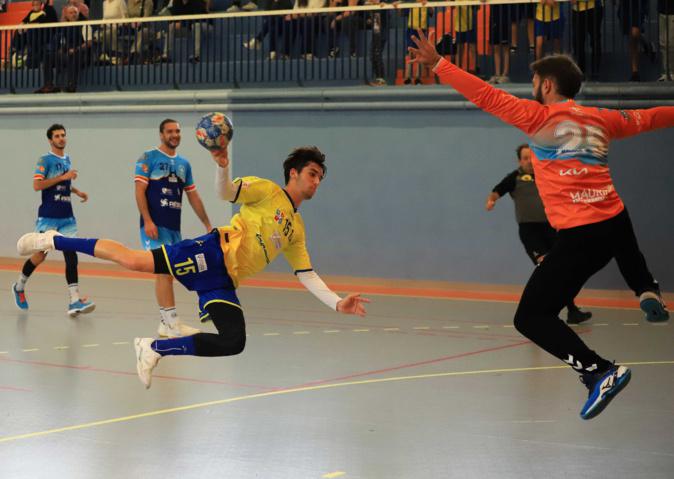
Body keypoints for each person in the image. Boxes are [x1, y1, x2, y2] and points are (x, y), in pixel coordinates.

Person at [409, 32, 672, 419]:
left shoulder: (537, 117)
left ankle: (601, 371)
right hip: (612, 224)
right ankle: (645, 287)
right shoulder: (603, 120)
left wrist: (439, 65)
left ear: (547, 85)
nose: (532, 88)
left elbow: (486, 95)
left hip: (580, 233)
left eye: (534, 82)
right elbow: (650, 117)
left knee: (530, 317)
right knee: (617, 224)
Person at [18, 146, 369, 389]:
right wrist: (221, 163)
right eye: (312, 173)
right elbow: (226, 191)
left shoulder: (297, 229)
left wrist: (338, 302)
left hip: (224, 280)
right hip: (213, 252)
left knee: (234, 341)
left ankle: (153, 348)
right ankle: (50, 241)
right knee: (133, 259)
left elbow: (306, 274)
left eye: (321, 177)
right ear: (293, 173)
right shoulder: (266, 191)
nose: (316, 181)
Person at [486, 144, 592, 325]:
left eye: (532, 157)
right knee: (547, 269)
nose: (529, 161)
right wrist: (491, 200)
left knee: (561, 270)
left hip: (551, 228)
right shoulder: (515, 178)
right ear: (520, 161)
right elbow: (498, 190)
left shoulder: (546, 175)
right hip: (530, 232)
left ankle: (572, 311)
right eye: (525, 158)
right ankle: (536, 311)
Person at [134, 119, 213, 338]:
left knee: (172, 271)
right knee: (164, 271)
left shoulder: (184, 164)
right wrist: (147, 220)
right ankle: (171, 323)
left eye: (177, 131)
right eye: (170, 131)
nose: (174, 135)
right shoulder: (148, 158)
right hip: (154, 226)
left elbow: (193, 195)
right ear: (161, 135)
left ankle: (165, 323)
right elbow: (139, 191)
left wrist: (206, 223)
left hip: (173, 228)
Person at [12, 124, 95, 317]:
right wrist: (64, 177)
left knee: (71, 254)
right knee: (40, 254)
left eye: (63, 135)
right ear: (50, 140)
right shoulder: (45, 160)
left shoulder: (66, 159)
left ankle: (74, 301)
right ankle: (19, 286)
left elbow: (63, 182)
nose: (61, 138)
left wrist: (76, 190)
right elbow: (37, 185)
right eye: (57, 136)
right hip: (49, 216)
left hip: (67, 216)